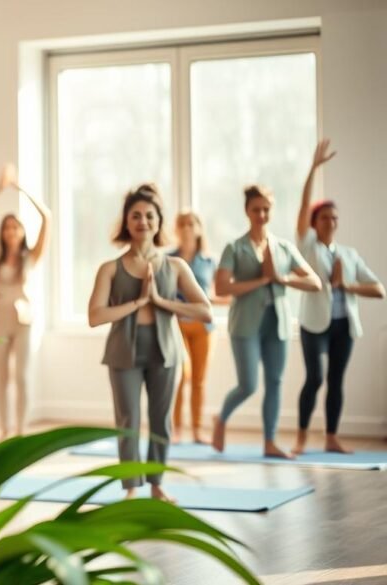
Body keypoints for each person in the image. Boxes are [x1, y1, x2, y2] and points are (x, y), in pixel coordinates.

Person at [88, 184, 211, 502]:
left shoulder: (175, 266)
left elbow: (204, 310)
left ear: (159, 222)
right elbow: (95, 315)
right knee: (128, 421)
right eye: (136, 215)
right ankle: (130, 489)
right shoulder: (109, 268)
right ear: (126, 222)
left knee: (161, 420)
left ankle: (157, 486)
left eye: (149, 216)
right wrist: (137, 303)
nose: (143, 221)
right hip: (122, 352)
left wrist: (161, 302)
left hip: (165, 351)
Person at [211, 185, 321, 458]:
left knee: (274, 381)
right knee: (248, 385)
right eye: (256, 209)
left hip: (277, 324)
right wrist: (261, 279)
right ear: (247, 211)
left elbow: (314, 282)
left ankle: (270, 442)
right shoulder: (234, 248)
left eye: (266, 209)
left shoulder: (284, 247)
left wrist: (282, 279)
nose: (261, 214)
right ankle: (221, 418)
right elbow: (222, 288)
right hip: (245, 325)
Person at [292, 139, 384, 454]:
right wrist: (313, 169)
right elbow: (303, 207)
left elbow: (379, 290)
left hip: (344, 324)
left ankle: (331, 437)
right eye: (324, 218)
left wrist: (347, 286)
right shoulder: (309, 248)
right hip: (313, 324)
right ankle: (301, 437)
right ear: (315, 224)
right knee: (315, 378)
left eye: (334, 218)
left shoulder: (349, 254)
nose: (330, 222)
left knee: (336, 381)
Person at [0, 164, 50, 440]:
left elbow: (47, 217)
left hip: (24, 320)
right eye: (7, 227)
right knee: (1, 378)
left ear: (21, 231)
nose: (11, 231)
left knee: (21, 376)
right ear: (2, 231)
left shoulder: (31, 256)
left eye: (15, 227)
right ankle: (5, 429)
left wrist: (20, 188)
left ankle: (20, 430)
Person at [169, 210, 228, 444]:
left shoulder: (210, 261)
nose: (187, 228)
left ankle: (197, 430)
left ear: (199, 228)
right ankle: (175, 430)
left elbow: (217, 294)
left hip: (204, 328)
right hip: (177, 326)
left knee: (199, 380)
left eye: (191, 223)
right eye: (182, 223)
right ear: (176, 229)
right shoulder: (169, 259)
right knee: (181, 376)